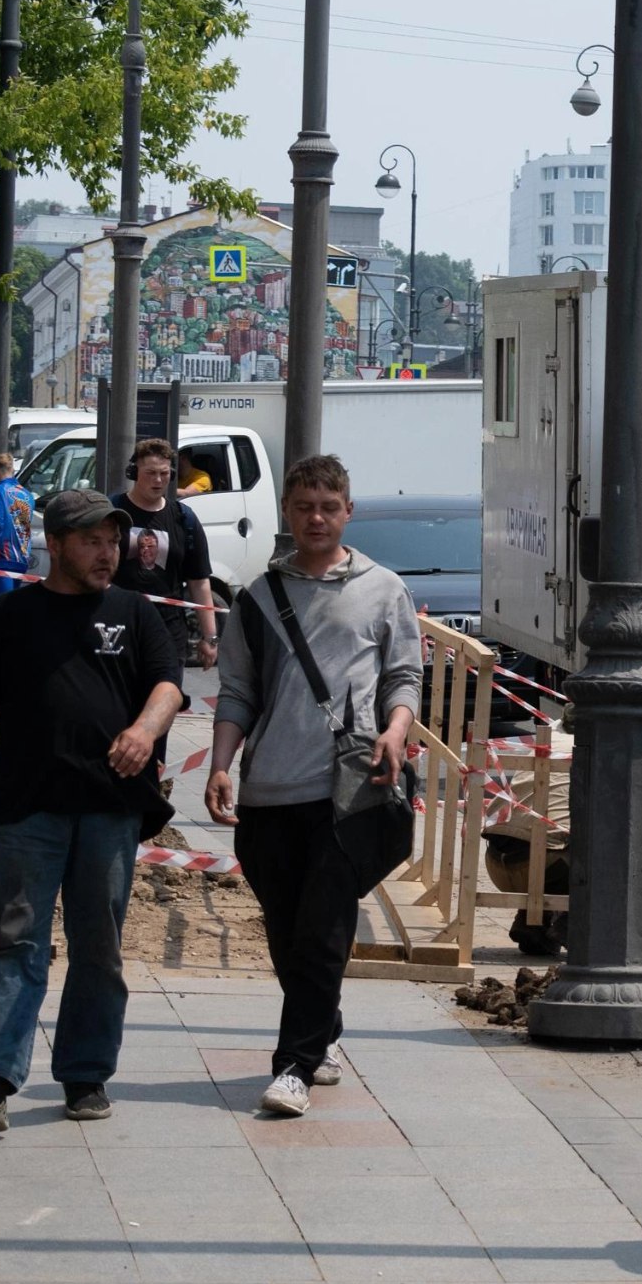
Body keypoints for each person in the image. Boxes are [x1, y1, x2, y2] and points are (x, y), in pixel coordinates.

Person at [0, 489, 183, 1131]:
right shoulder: (6, 618)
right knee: (14, 938)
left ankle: (85, 1074)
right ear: (58, 543)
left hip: (109, 810)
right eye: (93, 542)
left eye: (113, 541)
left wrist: (146, 731)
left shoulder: (134, 611)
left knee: (99, 947)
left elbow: (167, 684)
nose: (108, 554)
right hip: (27, 809)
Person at [206, 455, 423, 1118]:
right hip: (270, 789)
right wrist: (220, 764)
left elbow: (405, 676)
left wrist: (396, 729)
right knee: (286, 929)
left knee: (323, 928)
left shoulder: (384, 590)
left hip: (349, 793)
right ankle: (322, 1030)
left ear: (347, 511)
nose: (317, 518)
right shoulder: (257, 598)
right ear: (288, 514)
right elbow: (238, 692)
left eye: (329, 507)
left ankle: (292, 1067)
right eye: (304, 507)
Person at [112, 437, 218, 668]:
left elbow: (199, 581)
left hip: (168, 632)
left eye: (164, 473)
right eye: (150, 473)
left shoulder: (184, 518)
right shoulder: (112, 513)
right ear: (134, 472)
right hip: (118, 628)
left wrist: (210, 637)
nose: (158, 480)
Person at [0, 451, 37, 609]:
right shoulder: (27, 494)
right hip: (22, 554)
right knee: (14, 604)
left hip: (3, 554)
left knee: (3, 605)